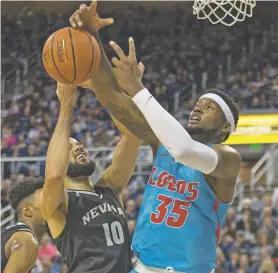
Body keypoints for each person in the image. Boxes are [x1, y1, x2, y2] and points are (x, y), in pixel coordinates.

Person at [70, 2, 241, 273]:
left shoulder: (227, 160)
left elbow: (183, 151)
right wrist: (91, 36)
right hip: (141, 267)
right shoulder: (161, 141)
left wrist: (137, 88)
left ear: (224, 129)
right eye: (198, 103)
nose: (198, 107)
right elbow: (111, 97)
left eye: (209, 108)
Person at [39, 83, 141, 273]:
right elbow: (54, 176)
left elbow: (132, 137)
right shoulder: (59, 202)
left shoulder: (109, 187)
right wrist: (67, 105)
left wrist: (102, 89)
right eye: (69, 148)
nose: (79, 147)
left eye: (79, 144)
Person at [1, 176, 45, 273]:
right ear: (27, 211)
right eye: (46, 202)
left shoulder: (12, 233)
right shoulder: (26, 239)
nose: (54, 206)